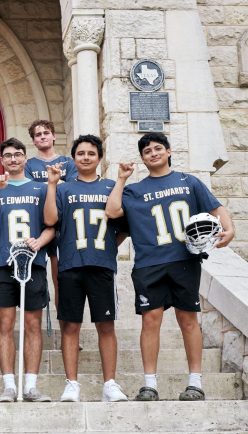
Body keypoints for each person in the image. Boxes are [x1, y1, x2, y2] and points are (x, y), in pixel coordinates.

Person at [105, 132, 235, 401]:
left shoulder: (189, 182)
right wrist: (121, 178)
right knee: (151, 321)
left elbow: (215, 208)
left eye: (157, 148)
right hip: (149, 263)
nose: (153, 153)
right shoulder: (134, 190)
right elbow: (113, 211)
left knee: (188, 319)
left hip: (183, 259)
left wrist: (230, 228)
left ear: (168, 150)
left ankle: (195, 382)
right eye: (147, 151)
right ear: (142, 158)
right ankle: (150, 383)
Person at [0, 137, 54, 402]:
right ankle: (9, 385)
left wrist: (39, 242)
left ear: (25, 158)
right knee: (4, 324)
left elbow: (52, 223)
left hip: (32, 264)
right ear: (0, 160)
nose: (13, 159)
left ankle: (31, 385)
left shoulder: (39, 189)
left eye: (18, 155)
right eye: (8, 156)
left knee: (33, 324)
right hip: (1, 265)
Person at [44, 134, 127, 402]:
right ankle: (72, 383)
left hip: (101, 264)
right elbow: (49, 219)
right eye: (81, 153)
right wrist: (52, 185)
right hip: (70, 263)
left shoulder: (111, 186)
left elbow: (123, 227)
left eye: (91, 153)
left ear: (99, 158)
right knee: (70, 325)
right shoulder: (65, 188)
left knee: (106, 324)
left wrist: (108, 246)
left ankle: (110, 383)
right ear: (73, 158)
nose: (86, 157)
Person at [24, 120, 77, 311]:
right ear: (34, 141)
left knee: (59, 280)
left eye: (46, 133)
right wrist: (54, 184)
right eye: (38, 135)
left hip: (62, 223)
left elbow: (71, 189)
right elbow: (30, 191)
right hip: (37, 223)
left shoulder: (68, 162)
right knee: (35, 279)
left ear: (54, 136)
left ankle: (64, 327)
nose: (43, 136)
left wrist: (48, 186)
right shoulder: (29, 164)